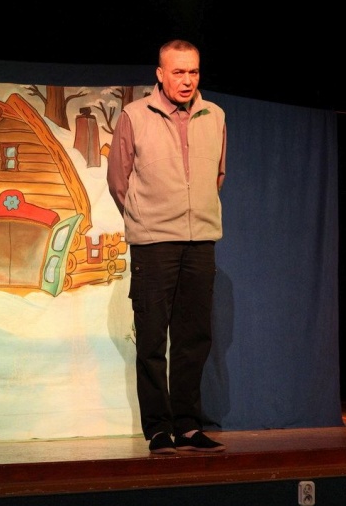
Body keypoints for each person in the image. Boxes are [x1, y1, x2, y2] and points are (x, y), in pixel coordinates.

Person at [107, 39, 227, 455]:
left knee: (195, 337)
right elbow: (118, 181)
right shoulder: (135, 115)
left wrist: (194, 211)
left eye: (193, 71)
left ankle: (189, 426)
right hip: (154, 242)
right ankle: (159, 429)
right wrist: (146, 218)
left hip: (200, 241)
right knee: (153, 338)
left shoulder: (215, 116)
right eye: (178, 72)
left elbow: (217, 175)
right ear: (160, 74)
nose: (187, 80)